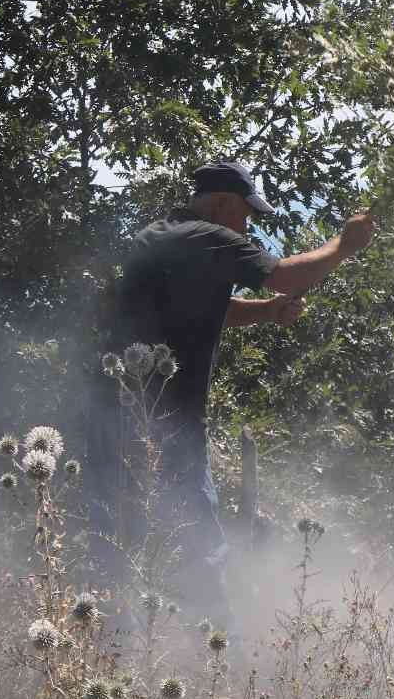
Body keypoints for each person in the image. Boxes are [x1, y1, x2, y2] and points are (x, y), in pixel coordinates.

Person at [86, 161, 375, 629]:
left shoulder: (164, 236)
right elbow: (284, 275)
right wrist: (344, 245)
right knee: (197, 537)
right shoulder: (207, 236)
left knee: (121, 537)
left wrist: (266, 313)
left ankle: (114, 643)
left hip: (118, 414)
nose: (247, 226)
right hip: (165, 421)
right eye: (245, 214)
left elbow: (206, 311)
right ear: (223, 203)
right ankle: (219, 653)